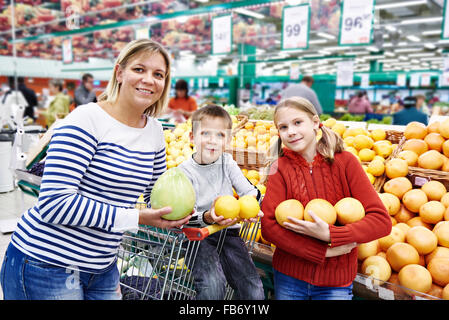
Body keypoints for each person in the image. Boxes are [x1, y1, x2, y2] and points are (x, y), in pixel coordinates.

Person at [0, 39, 192, 300]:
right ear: (119, 72)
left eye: (158, 74)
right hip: (46, 263)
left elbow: (156, 197)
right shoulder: (87, 119)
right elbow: (54, 203)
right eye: (139, 69)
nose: (149, 79)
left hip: (102, 266)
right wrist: (135, 217)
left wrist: (203, 214)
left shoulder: (156, 131)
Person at [260, 97, 392, 300]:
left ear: (315, 122)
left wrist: (331, 235)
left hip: (335, 282)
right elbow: (269, 228)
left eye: (297, 122)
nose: (291, 132)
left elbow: (381, 221)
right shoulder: (279, 168)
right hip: (289, 277)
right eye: (284, 127)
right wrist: (322, 251)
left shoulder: (346, 163)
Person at [178, 104, 265, 300]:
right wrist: (208, 217)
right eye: (206, 133)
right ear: (192, 138)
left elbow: (251, 191)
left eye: (220, 135)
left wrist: (249, 207)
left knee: (252, 288)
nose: (212, 141)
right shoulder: (184, 172)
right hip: (198, 237)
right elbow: (184, 217)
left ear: (228, 141)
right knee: (213, 287)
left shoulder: (228, 162)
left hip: (229, 233)